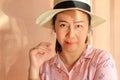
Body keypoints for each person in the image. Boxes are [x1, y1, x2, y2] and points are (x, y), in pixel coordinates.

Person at [29, 0, 118, 80]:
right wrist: (34, 69)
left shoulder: (102, 61)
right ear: (54, 28)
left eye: (78, 25)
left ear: (88, 29)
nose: (71, 35)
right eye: (63, 25)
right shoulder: (45, 68)